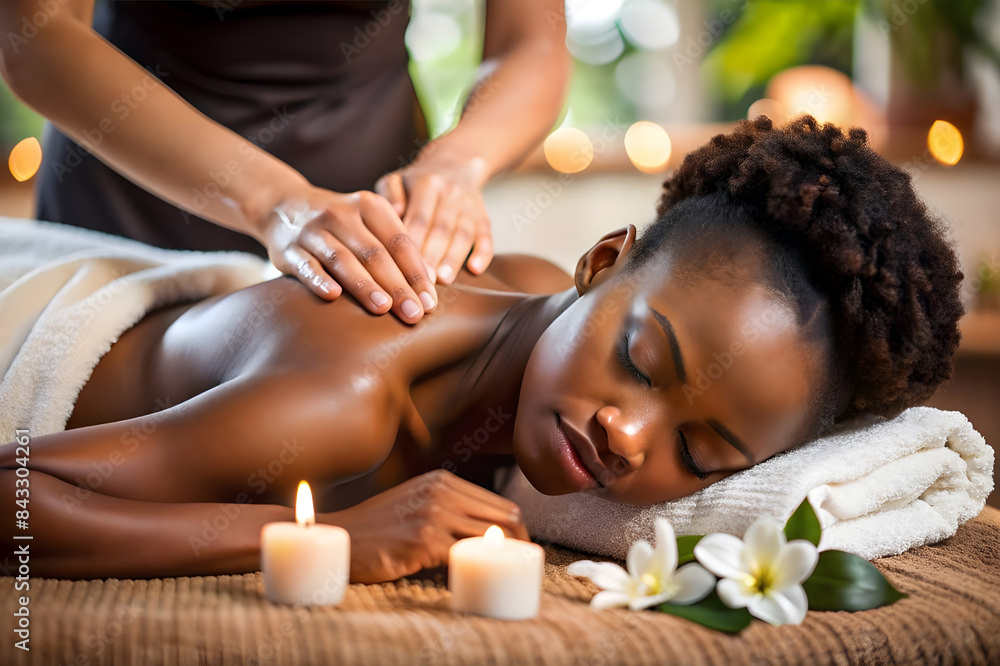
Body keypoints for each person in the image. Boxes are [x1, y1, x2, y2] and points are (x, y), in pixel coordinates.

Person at [0, 116, 964, 582]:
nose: (628, 435)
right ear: (600, 264)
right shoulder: (345, 397)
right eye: (639, 360)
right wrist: (328, 537)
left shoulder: (534, 283)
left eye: (703, 455)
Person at [0, 0, 570, 323]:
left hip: (375, 201)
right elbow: (33, 33)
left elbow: (533, 43)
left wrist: (455, 165)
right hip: (130, 193)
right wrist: (275, 200)